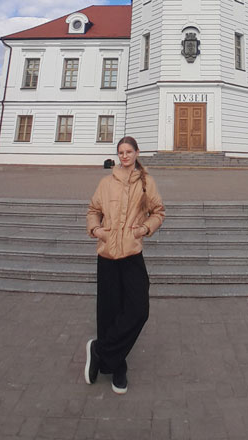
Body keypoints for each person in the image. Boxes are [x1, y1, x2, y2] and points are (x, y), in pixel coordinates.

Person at [85, 136, 165, 393]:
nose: (125, 156)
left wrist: (144, 229)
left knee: (139, 309)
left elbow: (159, 212)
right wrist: (97, 230)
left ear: (137, 153)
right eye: (121, 152)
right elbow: (93, 210)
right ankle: (116, 364)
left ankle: (99, 350)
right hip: (108, 253)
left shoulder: (146, 182)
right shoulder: (106, 183)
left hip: (131, 253)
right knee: (108, 311)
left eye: (129, 151)